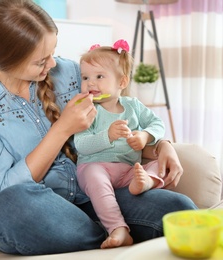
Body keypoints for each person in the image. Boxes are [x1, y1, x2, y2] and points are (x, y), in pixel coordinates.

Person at [0, 0, 197, 256]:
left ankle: (112, 231)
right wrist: (62, 129)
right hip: (48, 210)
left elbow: (120, 119)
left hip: (102, 193)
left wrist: (161, 146)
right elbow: (6, 186)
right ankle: (109, 233)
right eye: (41, 61)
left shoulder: (73, 72)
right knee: (9, 207)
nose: (53, 65)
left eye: (52, 53)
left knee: (180, 207)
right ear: (7, 62)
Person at [75, 39, 168, 249]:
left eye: (99, 76)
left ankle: (148, 181)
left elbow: (157, 123)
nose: (90, 83)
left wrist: (145, 136)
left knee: (155, 165)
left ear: (122, 82)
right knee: (94, 176)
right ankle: (118, 228)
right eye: (85, 77)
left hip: (127, 171)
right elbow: (80, 145)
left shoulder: (132, 105)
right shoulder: (86, 108)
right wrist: (107, 135)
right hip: (95, 167)